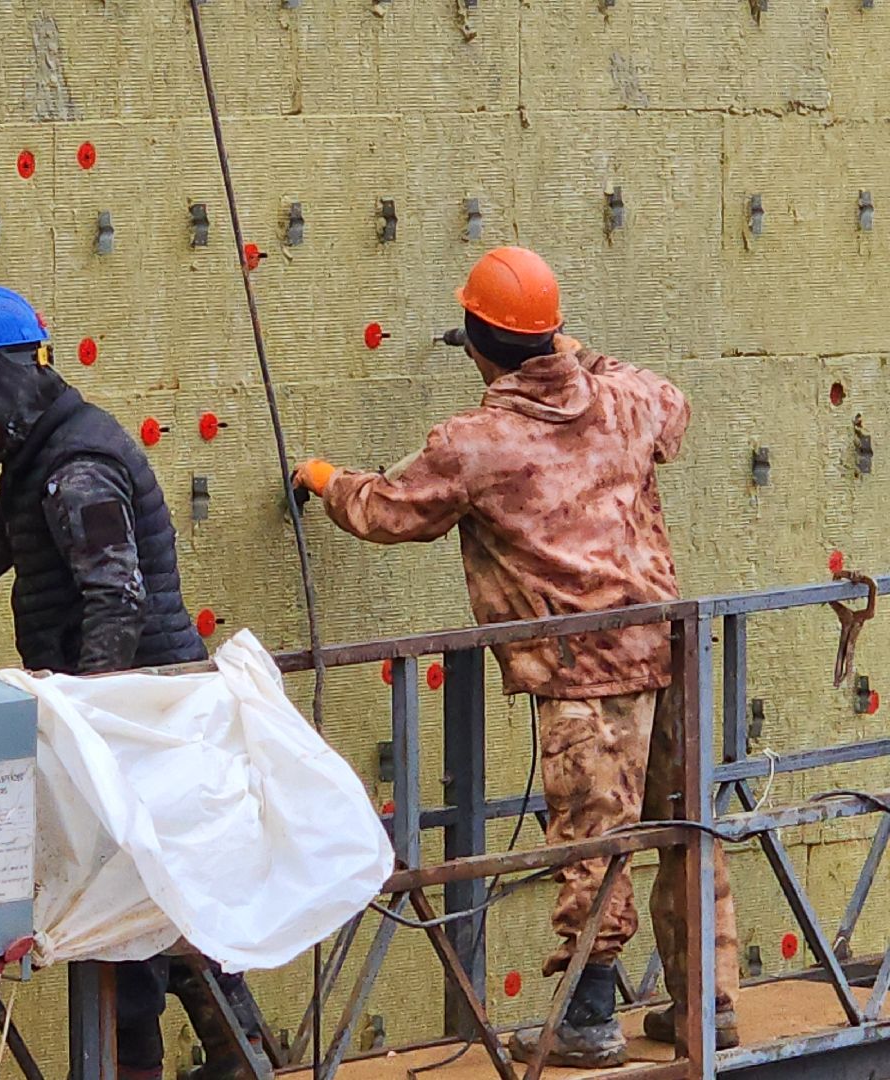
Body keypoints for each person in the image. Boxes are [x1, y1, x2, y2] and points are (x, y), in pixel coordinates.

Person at [291, 248, 740, 1067]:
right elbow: (672, 404)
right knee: (684, 827)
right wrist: (580, 358)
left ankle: (590, 1021)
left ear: (475, 343)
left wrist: (323, 477)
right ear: (553, 335)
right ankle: (708, 1006)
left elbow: (389, 511)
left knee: (590, 842)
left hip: (583, 671)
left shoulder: (478, 442)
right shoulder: (623, 400)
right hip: (667, 646)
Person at [0, 285, 266, 1080]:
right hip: (134, 706)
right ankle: (241, 1053)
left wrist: (89, 714)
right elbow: (4, 533)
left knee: (126, 912)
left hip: (137, 715)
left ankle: (168, 1064)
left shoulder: (77, 468)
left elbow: (116, 599)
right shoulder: (47, 454)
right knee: (159, 895)